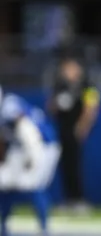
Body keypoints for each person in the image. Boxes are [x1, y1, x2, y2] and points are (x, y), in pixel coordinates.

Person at [0, 87, 61, 236]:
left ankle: (44, 228)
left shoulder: (9, 106)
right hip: (20, 148)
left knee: (34, 184)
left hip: (42, 145)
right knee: (6, 184)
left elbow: (27, 131)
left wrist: (32, 157)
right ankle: (3, 227)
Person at [46, 56, 100, 214]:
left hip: (76, 130)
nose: (67, 72)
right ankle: (68, 199)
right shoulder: (59, 86)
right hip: (63, 129)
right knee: (65, 166)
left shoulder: (87, 85)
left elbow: (92, 107)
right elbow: (51, 106)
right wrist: (55, 104)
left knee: (76, 165)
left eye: (70, 68)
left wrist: (83, 126)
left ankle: (79, 199)